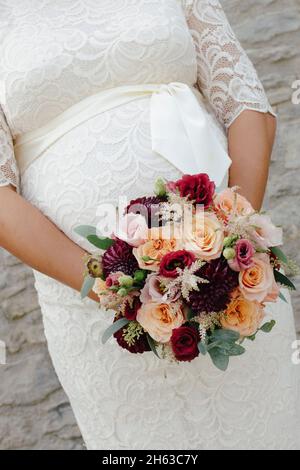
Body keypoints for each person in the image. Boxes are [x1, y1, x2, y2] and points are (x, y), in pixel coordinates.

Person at [0, 0, 299, 450]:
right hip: (92, 309)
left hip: (230, 279)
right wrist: (111, 288)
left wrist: (234, 240)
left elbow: (245, 100)